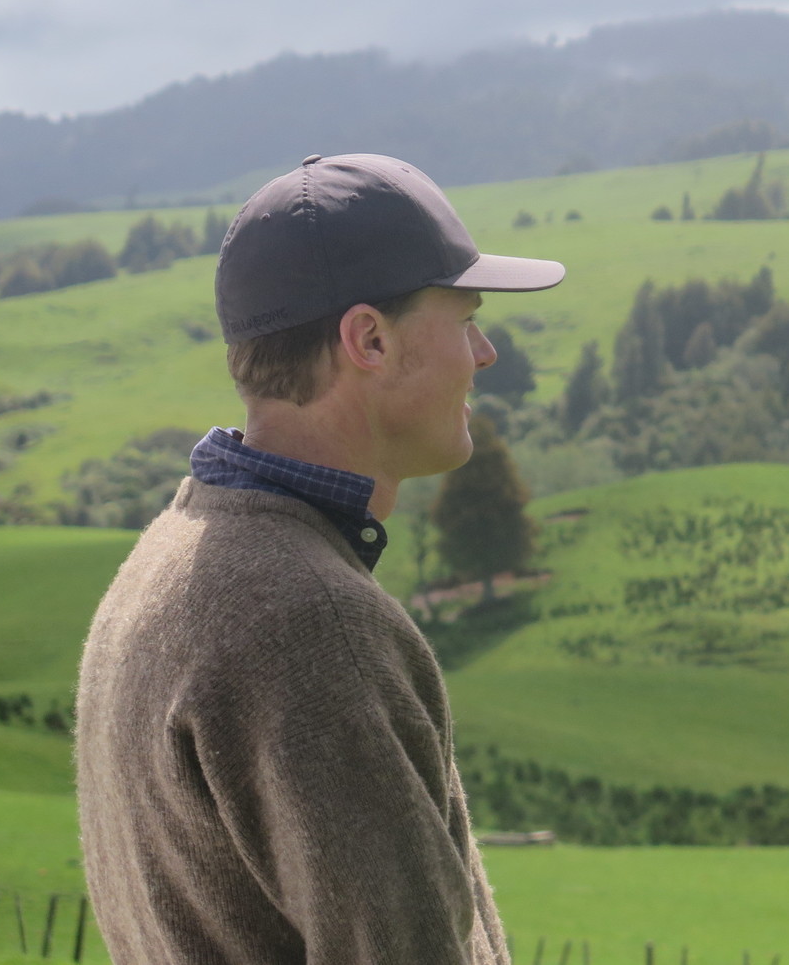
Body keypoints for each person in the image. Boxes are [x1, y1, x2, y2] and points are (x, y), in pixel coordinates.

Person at [75, 153, 566, 964]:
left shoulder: (166, 562)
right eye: (465, 318)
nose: (484, 354)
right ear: (368, 338)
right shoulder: (312, 625)